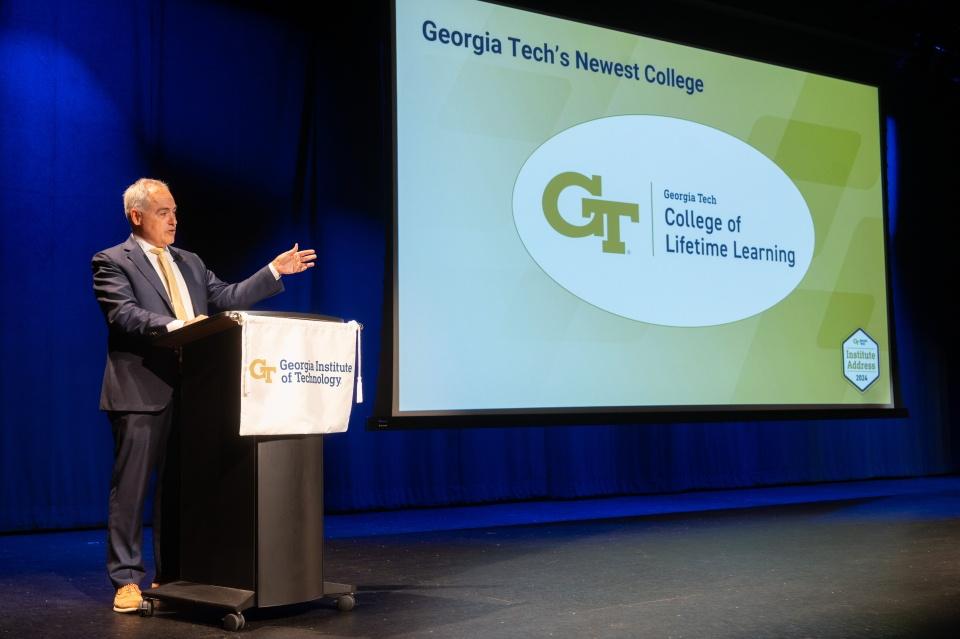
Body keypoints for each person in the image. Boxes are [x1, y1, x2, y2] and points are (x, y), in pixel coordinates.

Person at [92, 178, 316, 613]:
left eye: (175, 211)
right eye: (163, 212)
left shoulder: (189, 262)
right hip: (141, 390)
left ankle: (173, 573)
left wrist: (272, 272)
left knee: (183, 491)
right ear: (136, 216)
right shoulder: (110, 261)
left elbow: (226, 297)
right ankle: (126, 580)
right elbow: (122, 314)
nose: (174, 220)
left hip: (196, 393)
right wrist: (176, 327)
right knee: (132, 489)